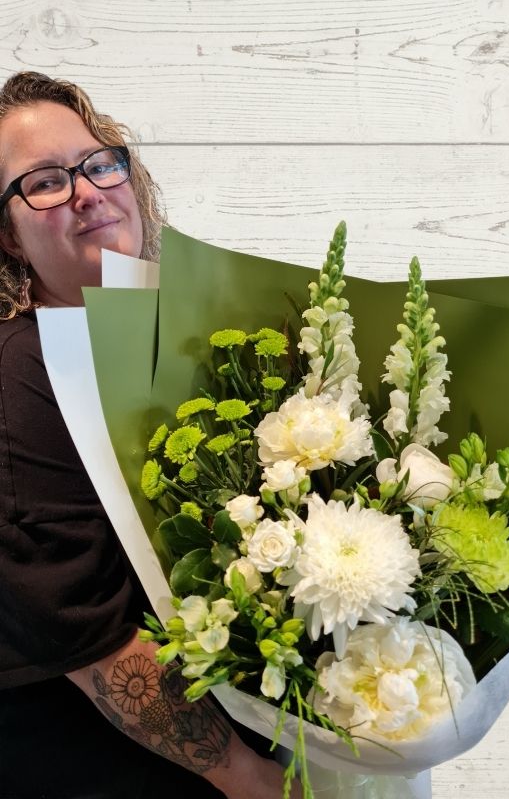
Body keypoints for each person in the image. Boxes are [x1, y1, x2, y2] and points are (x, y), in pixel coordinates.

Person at [0, 71, 300, 799]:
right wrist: (250, 778)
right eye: (43, 182)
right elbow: (90, 637)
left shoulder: (203, 339)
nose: (86, 191)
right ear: (7, 238)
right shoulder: (18, 382)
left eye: (98, 163)